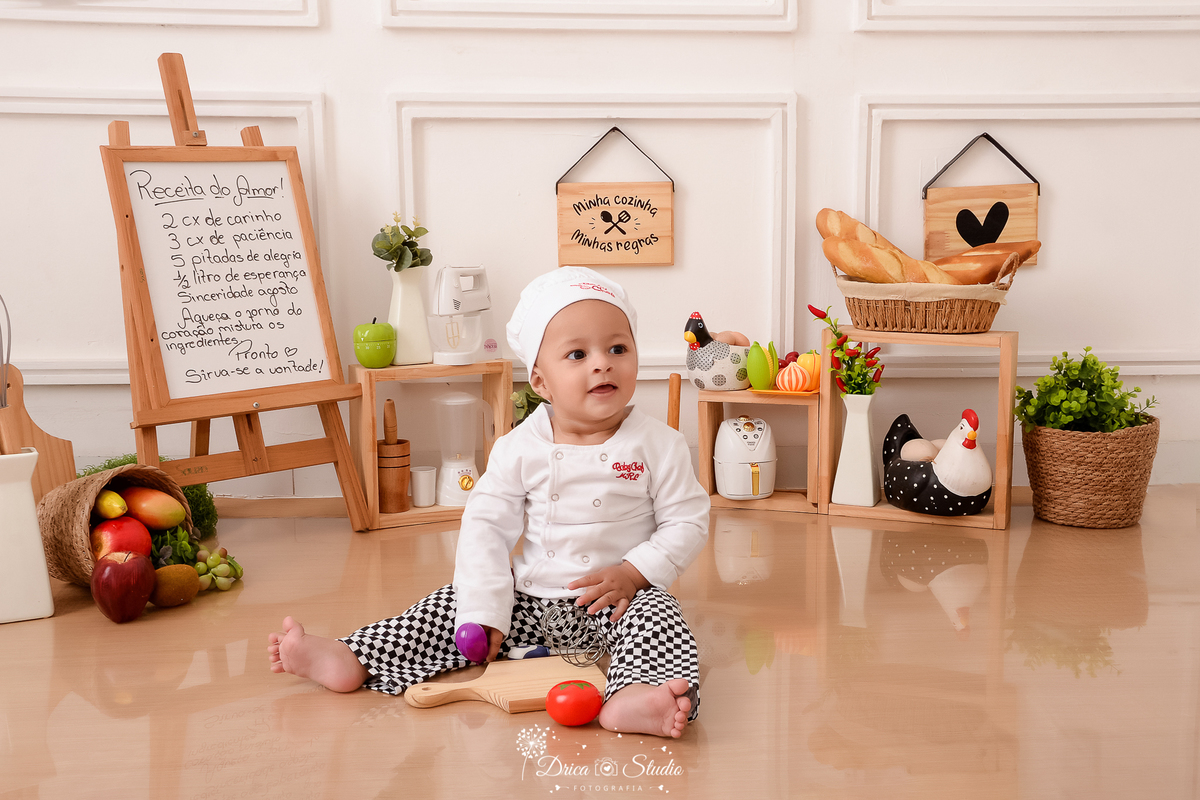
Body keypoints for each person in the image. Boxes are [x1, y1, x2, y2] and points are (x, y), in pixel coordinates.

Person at [268, 267, 710, 738]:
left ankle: (636, 695)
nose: (602, 363)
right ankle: (352, 657)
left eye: (617, 348)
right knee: (446, 607)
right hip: (528, 601)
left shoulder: (659, 444)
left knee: (660, 616)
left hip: (616, 604)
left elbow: (688, 521)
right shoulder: (519, 447)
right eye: (578, 354)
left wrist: (635, 572)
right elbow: (485, 528)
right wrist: (484, 609)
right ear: (540, 381)